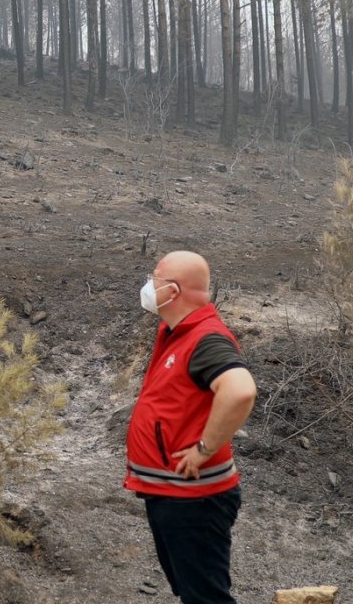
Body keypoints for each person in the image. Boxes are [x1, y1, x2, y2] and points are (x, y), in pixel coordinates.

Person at [124, 251, 258, 604]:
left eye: (154, 278)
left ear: (172, 290)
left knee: (207, 599)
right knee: (193, 593)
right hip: (174, 496)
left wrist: (203, 449)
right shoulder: (177, 331)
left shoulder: (206, 338)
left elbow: (240, 390)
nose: (147, 285)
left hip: (194, 500)